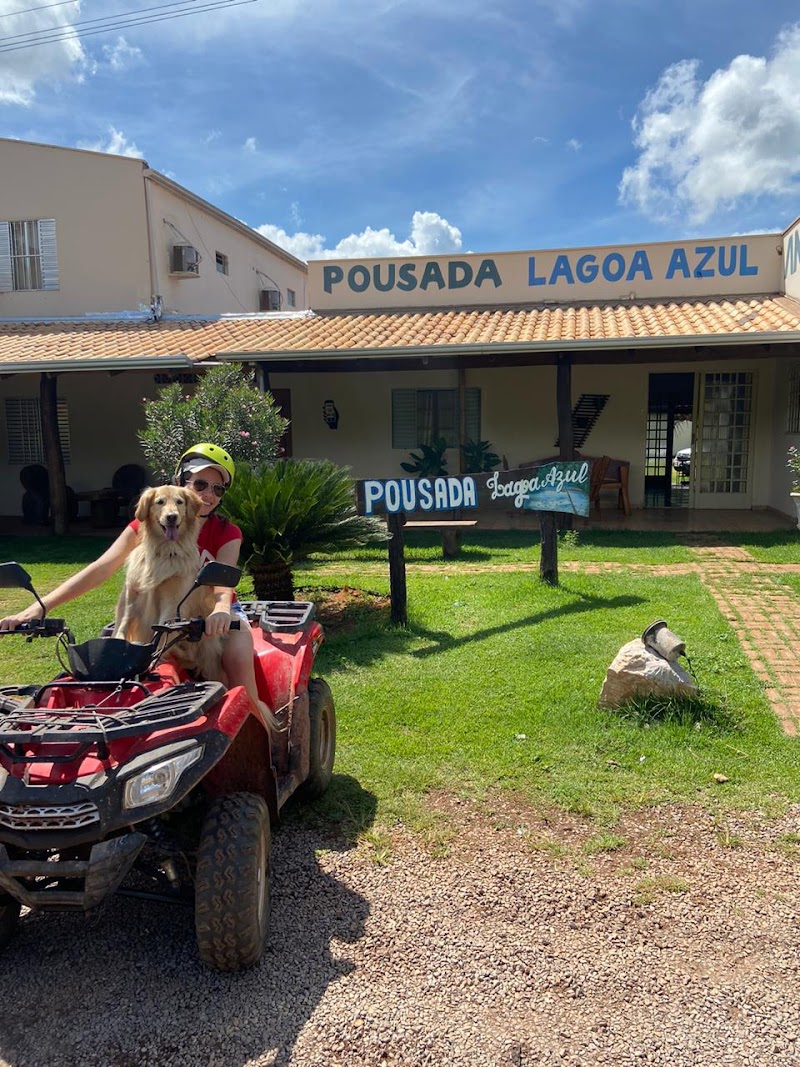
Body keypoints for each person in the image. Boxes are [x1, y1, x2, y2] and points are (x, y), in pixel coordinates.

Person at [0, 442, 279, 731]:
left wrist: (221, 610)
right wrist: (38, 607)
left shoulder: (227, 532)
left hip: (214, 616)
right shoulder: (145, 527)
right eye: (200, 483)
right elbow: (101, 569)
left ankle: (264, 743)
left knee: (237, 660)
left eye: (217, 489)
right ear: (182, 481)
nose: (208, 494)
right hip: (157, 619)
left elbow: (223, 581)